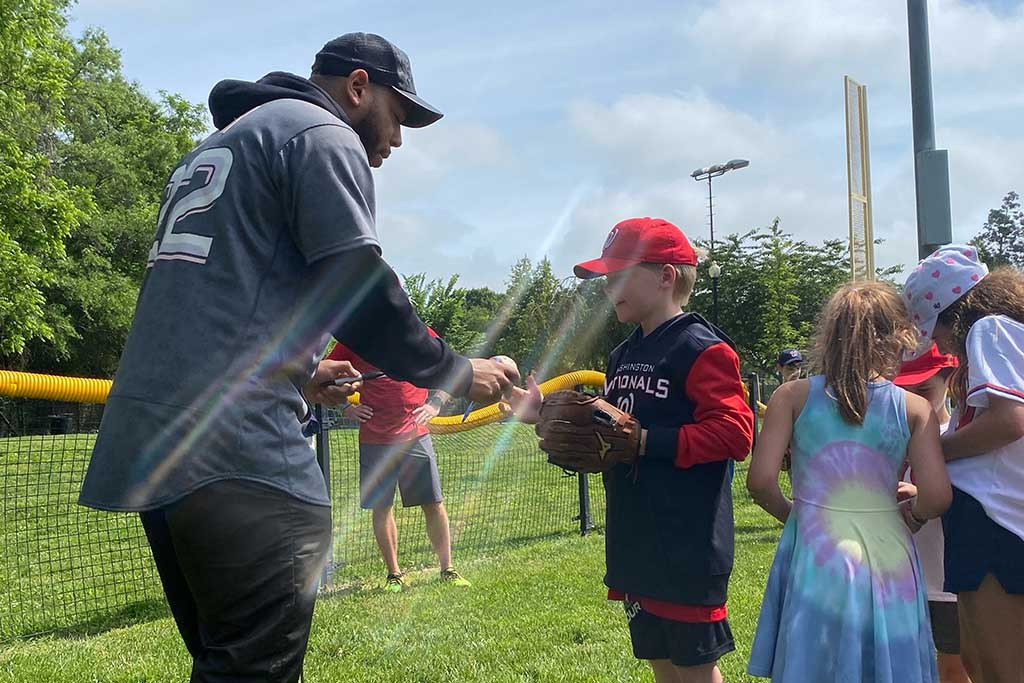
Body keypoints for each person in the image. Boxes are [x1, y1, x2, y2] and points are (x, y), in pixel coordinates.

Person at [78, 32, 517, 682]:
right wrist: (457, 369)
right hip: (236, 453)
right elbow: (358, 284)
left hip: (155, 451)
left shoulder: (227, 143)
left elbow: (214, 301)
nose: (397, 139)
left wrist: (301, 372)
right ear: (358, 87)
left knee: (226, 660)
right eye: (398, 116)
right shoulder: (322, 133)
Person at [517, 217, 754, 683]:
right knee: (661, 664)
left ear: (666, 276)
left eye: (620, 275)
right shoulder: (622, 355)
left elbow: (735, 434)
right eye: (605, 277)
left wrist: (647, 441)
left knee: (695, 669)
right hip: (635, 536)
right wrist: (544, 413)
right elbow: (607, 429)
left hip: (686, 543)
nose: (608, 287)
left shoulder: (702, 349)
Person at [746, 281, 951, 682]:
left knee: (814, 664)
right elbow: (938, 496)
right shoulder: (916, 408)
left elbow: (760, 481)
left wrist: (796, 515)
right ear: (900, 338)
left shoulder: (790, 397)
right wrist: (916, 514)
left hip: (815, 549)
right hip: (889, 552)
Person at [903, 245, 1024, 683]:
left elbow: (1010, 422)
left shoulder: (988, 330)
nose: (936, 342)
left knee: (996, 668)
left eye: (934, 328)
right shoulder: (1010, 331)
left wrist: (930, 450)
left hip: (995, 525)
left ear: (954, 312)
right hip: (1004, 520)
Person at [326, 333, 471, 591]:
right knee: (382, 507)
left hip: (416, 436)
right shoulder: (355, 338)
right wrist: (345, 407)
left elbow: (453, 368)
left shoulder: (417, 332)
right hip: (375, 440)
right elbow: (323, 377)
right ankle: (394, 575)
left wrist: (436, 404)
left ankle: (447, 569)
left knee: (434, 504)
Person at [894, 345, 972, 683]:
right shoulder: (892, 437)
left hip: (947, 581)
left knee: (956, 666)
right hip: (902, 579)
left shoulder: (959, 438)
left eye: (924, 389)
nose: (914, 399)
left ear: (949, 380)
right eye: (904, 390)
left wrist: (921, 496)